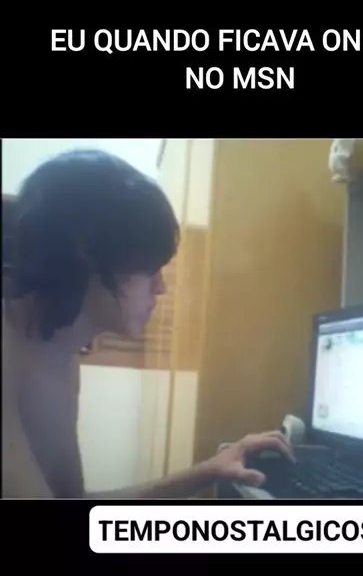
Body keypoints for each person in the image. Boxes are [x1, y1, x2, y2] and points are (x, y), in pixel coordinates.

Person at [2, 149, 294, 498]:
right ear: (88, 255)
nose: (161, 288)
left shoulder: (62, 352)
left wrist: (211, 470)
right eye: (149, 268)